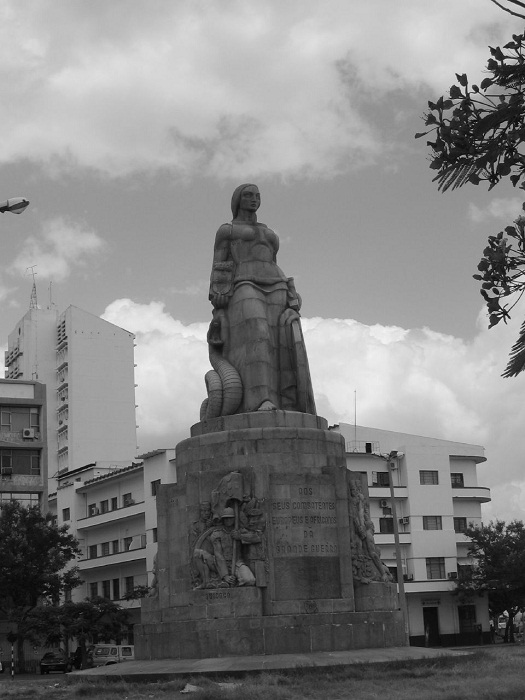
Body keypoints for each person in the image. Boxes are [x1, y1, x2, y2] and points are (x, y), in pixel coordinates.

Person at [202, 184, 316, 417]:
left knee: (282, 341)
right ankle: (260, 400)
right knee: (258, 334)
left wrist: (291, 291)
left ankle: (288, 402)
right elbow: (219, 265)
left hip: (277, 285)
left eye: (257, 196)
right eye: (248, 195)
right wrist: (219, 296)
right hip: (244, 283)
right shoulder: (228, 230)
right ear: (237, 200)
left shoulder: (268, 232)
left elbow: (272, 261)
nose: (253, 199)